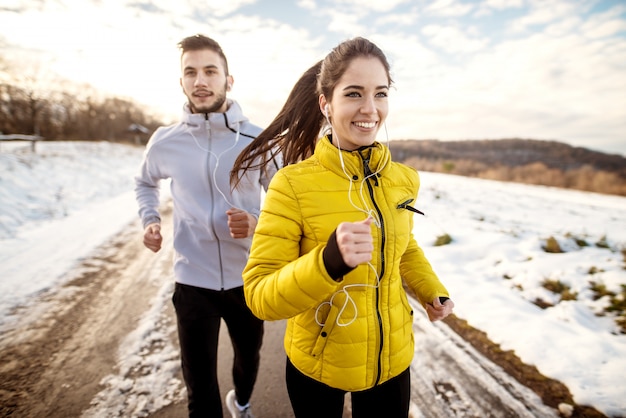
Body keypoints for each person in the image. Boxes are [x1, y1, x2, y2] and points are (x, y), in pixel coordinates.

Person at [230, 37, 454, 418]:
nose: (370, 109)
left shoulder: (403, 180)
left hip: (392, 360)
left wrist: (430, 289)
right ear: (325, 104)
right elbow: (259, 295)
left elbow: (405, 246)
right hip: (317, 365)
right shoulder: (293, 185)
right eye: (353, 94)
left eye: (380, 94)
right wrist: (328, 261)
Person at [134, 34, 279, 418]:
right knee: (199, 388)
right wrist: (150, 219)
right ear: (181, 81)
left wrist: (256, 223)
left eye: (210, 71)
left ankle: (243, 403)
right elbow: (145, 182)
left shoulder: (258, 140)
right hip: (192, 279)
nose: (201, 81)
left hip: (249, 276)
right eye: (191, 72)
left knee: (248, 360)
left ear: (228, 80)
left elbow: (287, 206)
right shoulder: (166, 141)